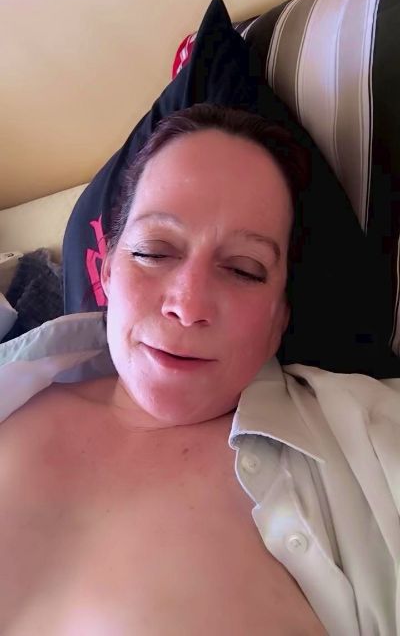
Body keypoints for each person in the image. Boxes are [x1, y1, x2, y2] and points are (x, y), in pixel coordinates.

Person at [0, 104, 398, 636]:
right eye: (153, 251)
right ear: (106, 272)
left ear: (280, 315)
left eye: (243, 269)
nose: (188, 306)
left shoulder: (370, 438)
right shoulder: (16, 392)